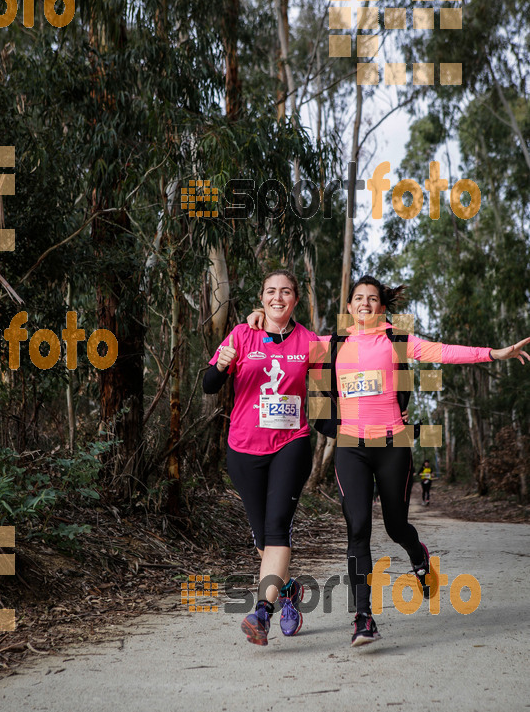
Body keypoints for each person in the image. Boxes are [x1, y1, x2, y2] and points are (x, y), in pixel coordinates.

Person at [313, 274, 530, 647]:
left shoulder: (396, 341)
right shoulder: (329, 343)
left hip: (393, 444)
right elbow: (283, 346)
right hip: (351, 445)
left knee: (397, 526)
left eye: (372, 299)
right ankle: (363, 618)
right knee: (358, 528)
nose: (364, 303)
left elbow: (443, 352)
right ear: (348, 307)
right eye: (358, 298)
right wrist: (255, 321)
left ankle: (418, 555)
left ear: (381, 307)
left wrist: (493, 353)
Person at [203, 270, 318, 646]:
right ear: (262, 297)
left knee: (276, 529)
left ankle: (261, 613)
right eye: (271, 291)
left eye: (286, 292)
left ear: (296, 299)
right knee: (262, 539)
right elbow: (208, 385)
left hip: (292, 442)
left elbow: (328, 392)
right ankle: (288, 592)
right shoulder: (242, 334)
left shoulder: (310, 342)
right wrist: (222, 364)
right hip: (243, 447)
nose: (278, 297)